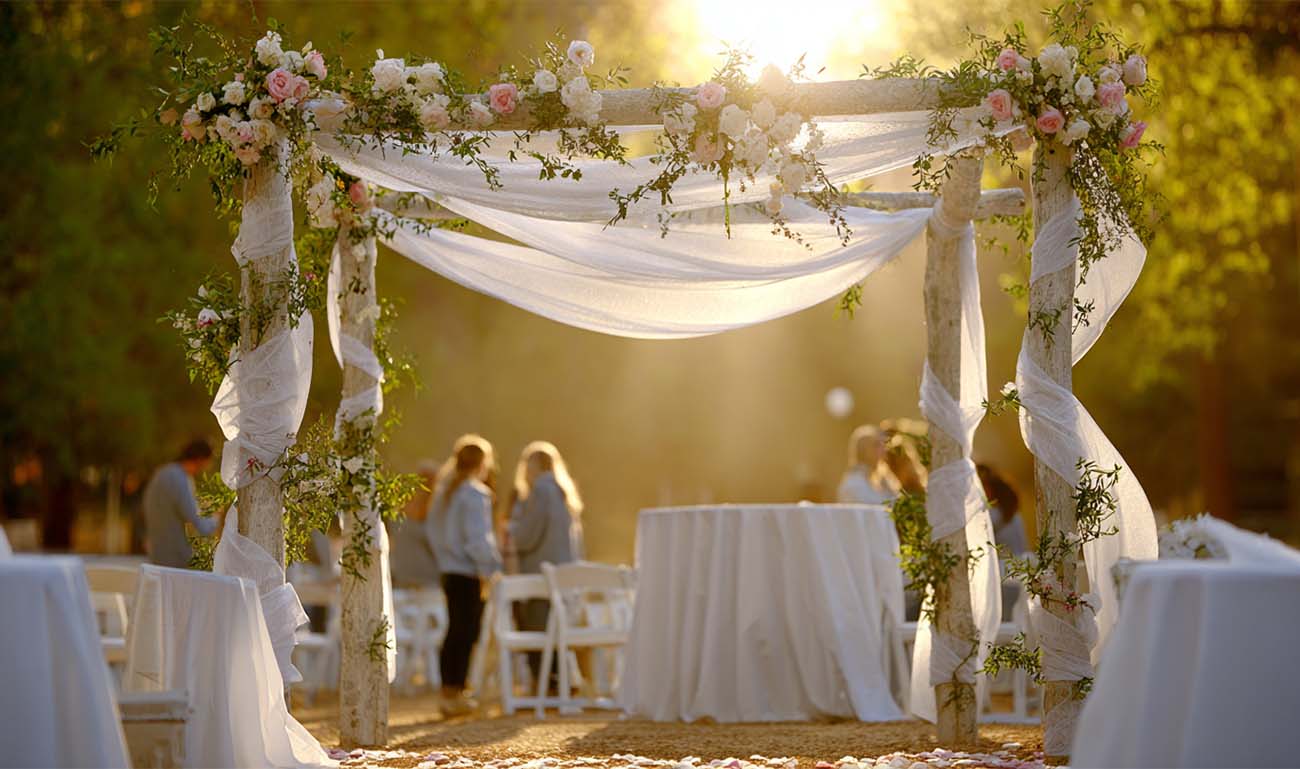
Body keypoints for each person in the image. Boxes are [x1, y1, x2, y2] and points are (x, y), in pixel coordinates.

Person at [426, 435, 502, 715]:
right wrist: (494, 568)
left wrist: (445, 557)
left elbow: (433, 532)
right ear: (483, 463)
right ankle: (458, 691)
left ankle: (450, 691)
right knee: (467, 632)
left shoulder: (446, 492)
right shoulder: (475, 493)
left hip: (449, 569)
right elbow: (478, 539)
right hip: (469, 571)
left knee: (454, 631)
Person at [507, 441, 586, 686]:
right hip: (564, 572)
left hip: (540, 573)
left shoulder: (541, 491)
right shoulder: (564, 492)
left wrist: (512, 531)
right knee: (556, 630)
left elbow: (529, 534)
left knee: (536, 630)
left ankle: (545, 684)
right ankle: (560, 682)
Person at [142, 439, 217, 569]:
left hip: (157, 555)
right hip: (174, 559)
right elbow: (197, 521)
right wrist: (217, 518)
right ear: (201, 459)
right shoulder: (179, 478)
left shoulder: (162, 473)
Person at [977, 463, 1028, 620]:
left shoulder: (993, 515)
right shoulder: (1011, 513)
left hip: (1005, 580)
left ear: (988, 489)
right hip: (1020, 575)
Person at [387, 459, 440, 588]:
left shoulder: (439, 510)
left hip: (431, 581)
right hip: (402, 578)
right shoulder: (399, 506)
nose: (426, 484)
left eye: (430, 480)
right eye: (423, 478)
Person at [837, 424, 900, 505]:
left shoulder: (884, 480)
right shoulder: (854, 484)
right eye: (876, 445)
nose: (883, 448)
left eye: (882, 444)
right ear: (864, 450)